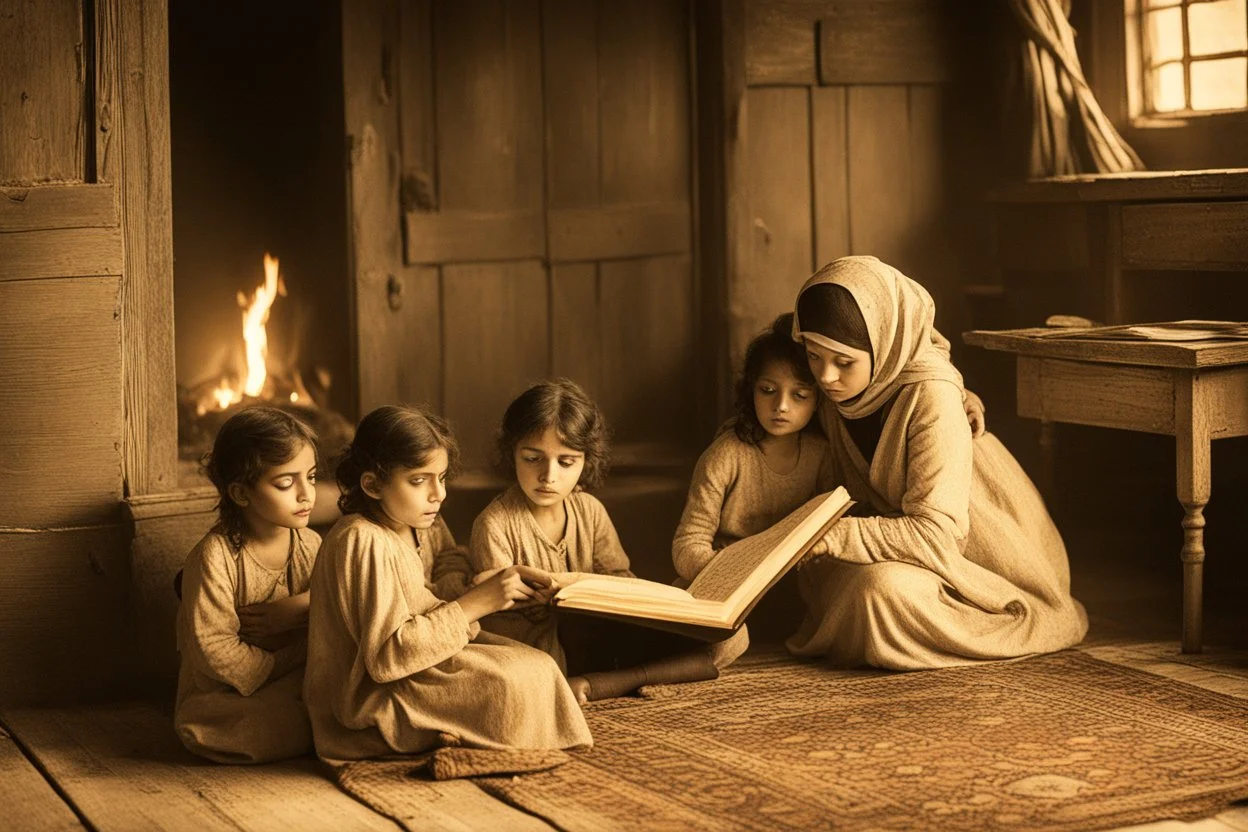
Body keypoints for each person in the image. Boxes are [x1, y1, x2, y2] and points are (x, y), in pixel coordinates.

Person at [786, 255, 1088, 668]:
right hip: (898, 536)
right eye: (814, 356)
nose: (825, 378)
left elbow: (936, 536)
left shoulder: (932, 397)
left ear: (886, 342)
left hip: (971, 557)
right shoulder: (839, 387)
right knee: (822, 577)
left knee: (879, 593)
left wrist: (835, 535)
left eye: (844, 362)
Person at [303, 405, 591, 764]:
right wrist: (476, 604)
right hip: (376, 693)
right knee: (511, 684)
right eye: (419, 480)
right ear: (373, 485)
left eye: (441, 478)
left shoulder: (417, 522)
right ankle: (419, 734)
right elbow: (388, 657)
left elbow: (447, 561)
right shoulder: (363, 540)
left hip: (421, 660)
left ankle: (459, 732)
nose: (438, 494)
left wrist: (473, 585)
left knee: (537, 664)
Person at [469, 379, 722, 703]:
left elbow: (620, 579)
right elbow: (497, 612)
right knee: (552, 653)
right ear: (511, 453)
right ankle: (612, 680)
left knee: (727, 639)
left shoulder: (589, 510)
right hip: (542, 643)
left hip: (600, 633)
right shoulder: (494, 524)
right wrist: (548, 600)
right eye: (533, 458)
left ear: (587, 460)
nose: (549, 475)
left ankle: (602, 682)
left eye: (566, 462)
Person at [174, 406, 322, 763]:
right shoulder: (216, 557)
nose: (306, 494)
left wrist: (303, 604)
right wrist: (282, 664)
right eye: (286, 483)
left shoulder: (312, 545)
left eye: (312, 477)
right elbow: (214, 648)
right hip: (234, 694)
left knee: (343, 690)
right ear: (241, 494)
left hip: (300, 678)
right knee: (265, 723)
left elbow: (337, 609)